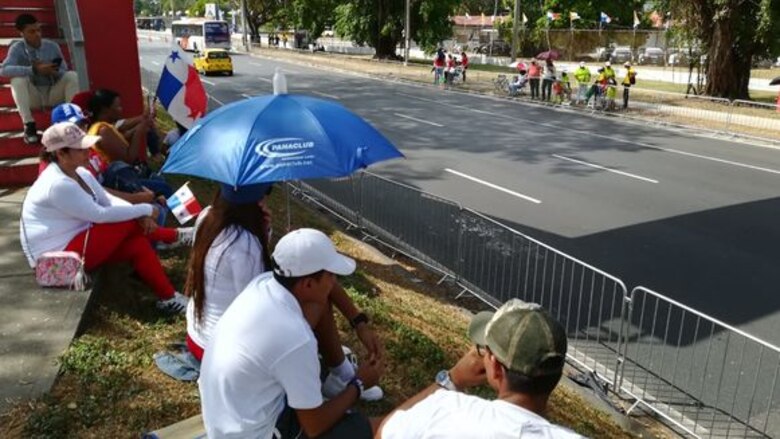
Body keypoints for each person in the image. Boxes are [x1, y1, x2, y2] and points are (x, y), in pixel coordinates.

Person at [199, 228, 386, 438]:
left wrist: (359, 323)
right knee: (370, 428)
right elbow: (314, 426)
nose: (334, 280)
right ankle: (346, 386)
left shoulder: (265, 283)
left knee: (319, 302)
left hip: (226, 417)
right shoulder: (296, 339)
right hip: (256, 434)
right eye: (331, 275)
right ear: (307, 283)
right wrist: (359, 384)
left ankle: (338, 378)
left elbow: (325, 291)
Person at [20, 122, 192, 314]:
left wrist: (141, 214)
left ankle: (168, 297)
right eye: (81, 148)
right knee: (125, 221)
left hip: (78, 243)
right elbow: (100, 215)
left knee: (137, 245)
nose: (88, 151)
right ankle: (175, 237)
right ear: (61, 154)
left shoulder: (80, 172)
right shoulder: (57, 184)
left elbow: (107, 199)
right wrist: (142, 210)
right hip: (58, 261)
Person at [376, 299, 584, 438]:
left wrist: (453, 379)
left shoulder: (445, 408)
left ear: (494, 367)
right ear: (556, 377)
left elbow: (384, 433)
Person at [184, 183, 274, 362]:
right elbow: (254, 308)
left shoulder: (207, 215)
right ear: (255, 203)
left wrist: (263, 232)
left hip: (196, 338)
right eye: (264, 195)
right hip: (220, 352)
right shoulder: (245, 244)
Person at [0, 14, 79, 144]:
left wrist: (52, 71)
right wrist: (33, 70)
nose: (37, 34)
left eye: (38, 30)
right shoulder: (17, 48)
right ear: (21, 33)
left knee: (72, 76)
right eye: (31, 31)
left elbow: (64, 70)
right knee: (17, 80)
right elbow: (3, 70)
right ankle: (29, 125)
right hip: (32, 95)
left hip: (53, 90)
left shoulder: (52, 46)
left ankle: (70, 123)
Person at [87, 89, 173, 198]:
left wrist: (142, 123)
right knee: (165, 188)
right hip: (122, 181)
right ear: (105, 110)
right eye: (118, 107)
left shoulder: (105, 126)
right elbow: (129, 158)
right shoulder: (103, 131)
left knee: (160, 181)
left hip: (128, 174)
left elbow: (120, 140)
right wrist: (139, 131)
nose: (121, 109)